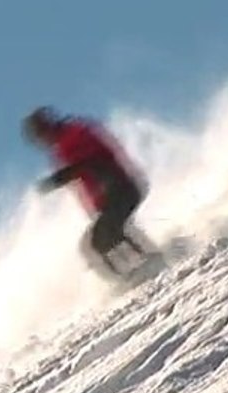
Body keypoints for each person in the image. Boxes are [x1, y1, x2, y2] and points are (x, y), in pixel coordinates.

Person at [22, 106, 156, 280]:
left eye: (39, 135)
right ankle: (134, 269)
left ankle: (144, 265)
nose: (41, 142)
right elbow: (82, 171)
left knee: (99, 240)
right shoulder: (64, 143)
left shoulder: (73, 136)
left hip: (121, 189)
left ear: (46, 128)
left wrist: (59, 178)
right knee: (96, 241)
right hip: (112, 196)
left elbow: (88, 163)